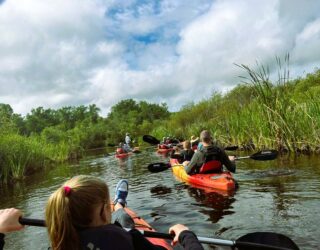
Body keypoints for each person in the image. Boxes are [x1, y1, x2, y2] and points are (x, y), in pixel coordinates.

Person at [45, 175, 204, 250]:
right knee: (125, 223)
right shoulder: (127, 239)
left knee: (121, 222)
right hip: (125, 231)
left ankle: (119, 203)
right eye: (108, 205)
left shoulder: (59, 244)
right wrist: (185, 235)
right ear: (103, 211)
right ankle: (119, 205)